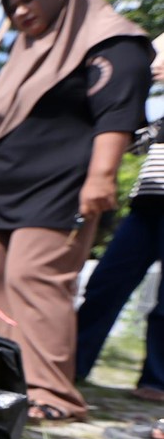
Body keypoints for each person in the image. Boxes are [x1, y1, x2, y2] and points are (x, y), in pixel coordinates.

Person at [0, 0, 153, 423]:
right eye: (13, 5)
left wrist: (102, 176)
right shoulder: (25, 57)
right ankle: (6, 382)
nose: (21, 12)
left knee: (36, 279)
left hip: (61, 185)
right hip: (4, 186)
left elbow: (117, 113)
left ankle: (53, 393)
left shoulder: (109, 40)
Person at [77, 92, 164, 402]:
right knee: (105, 284)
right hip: (146, 202)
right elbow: (135, 144)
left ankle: (157, 381)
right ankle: (73, 366)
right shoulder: (156, 103)